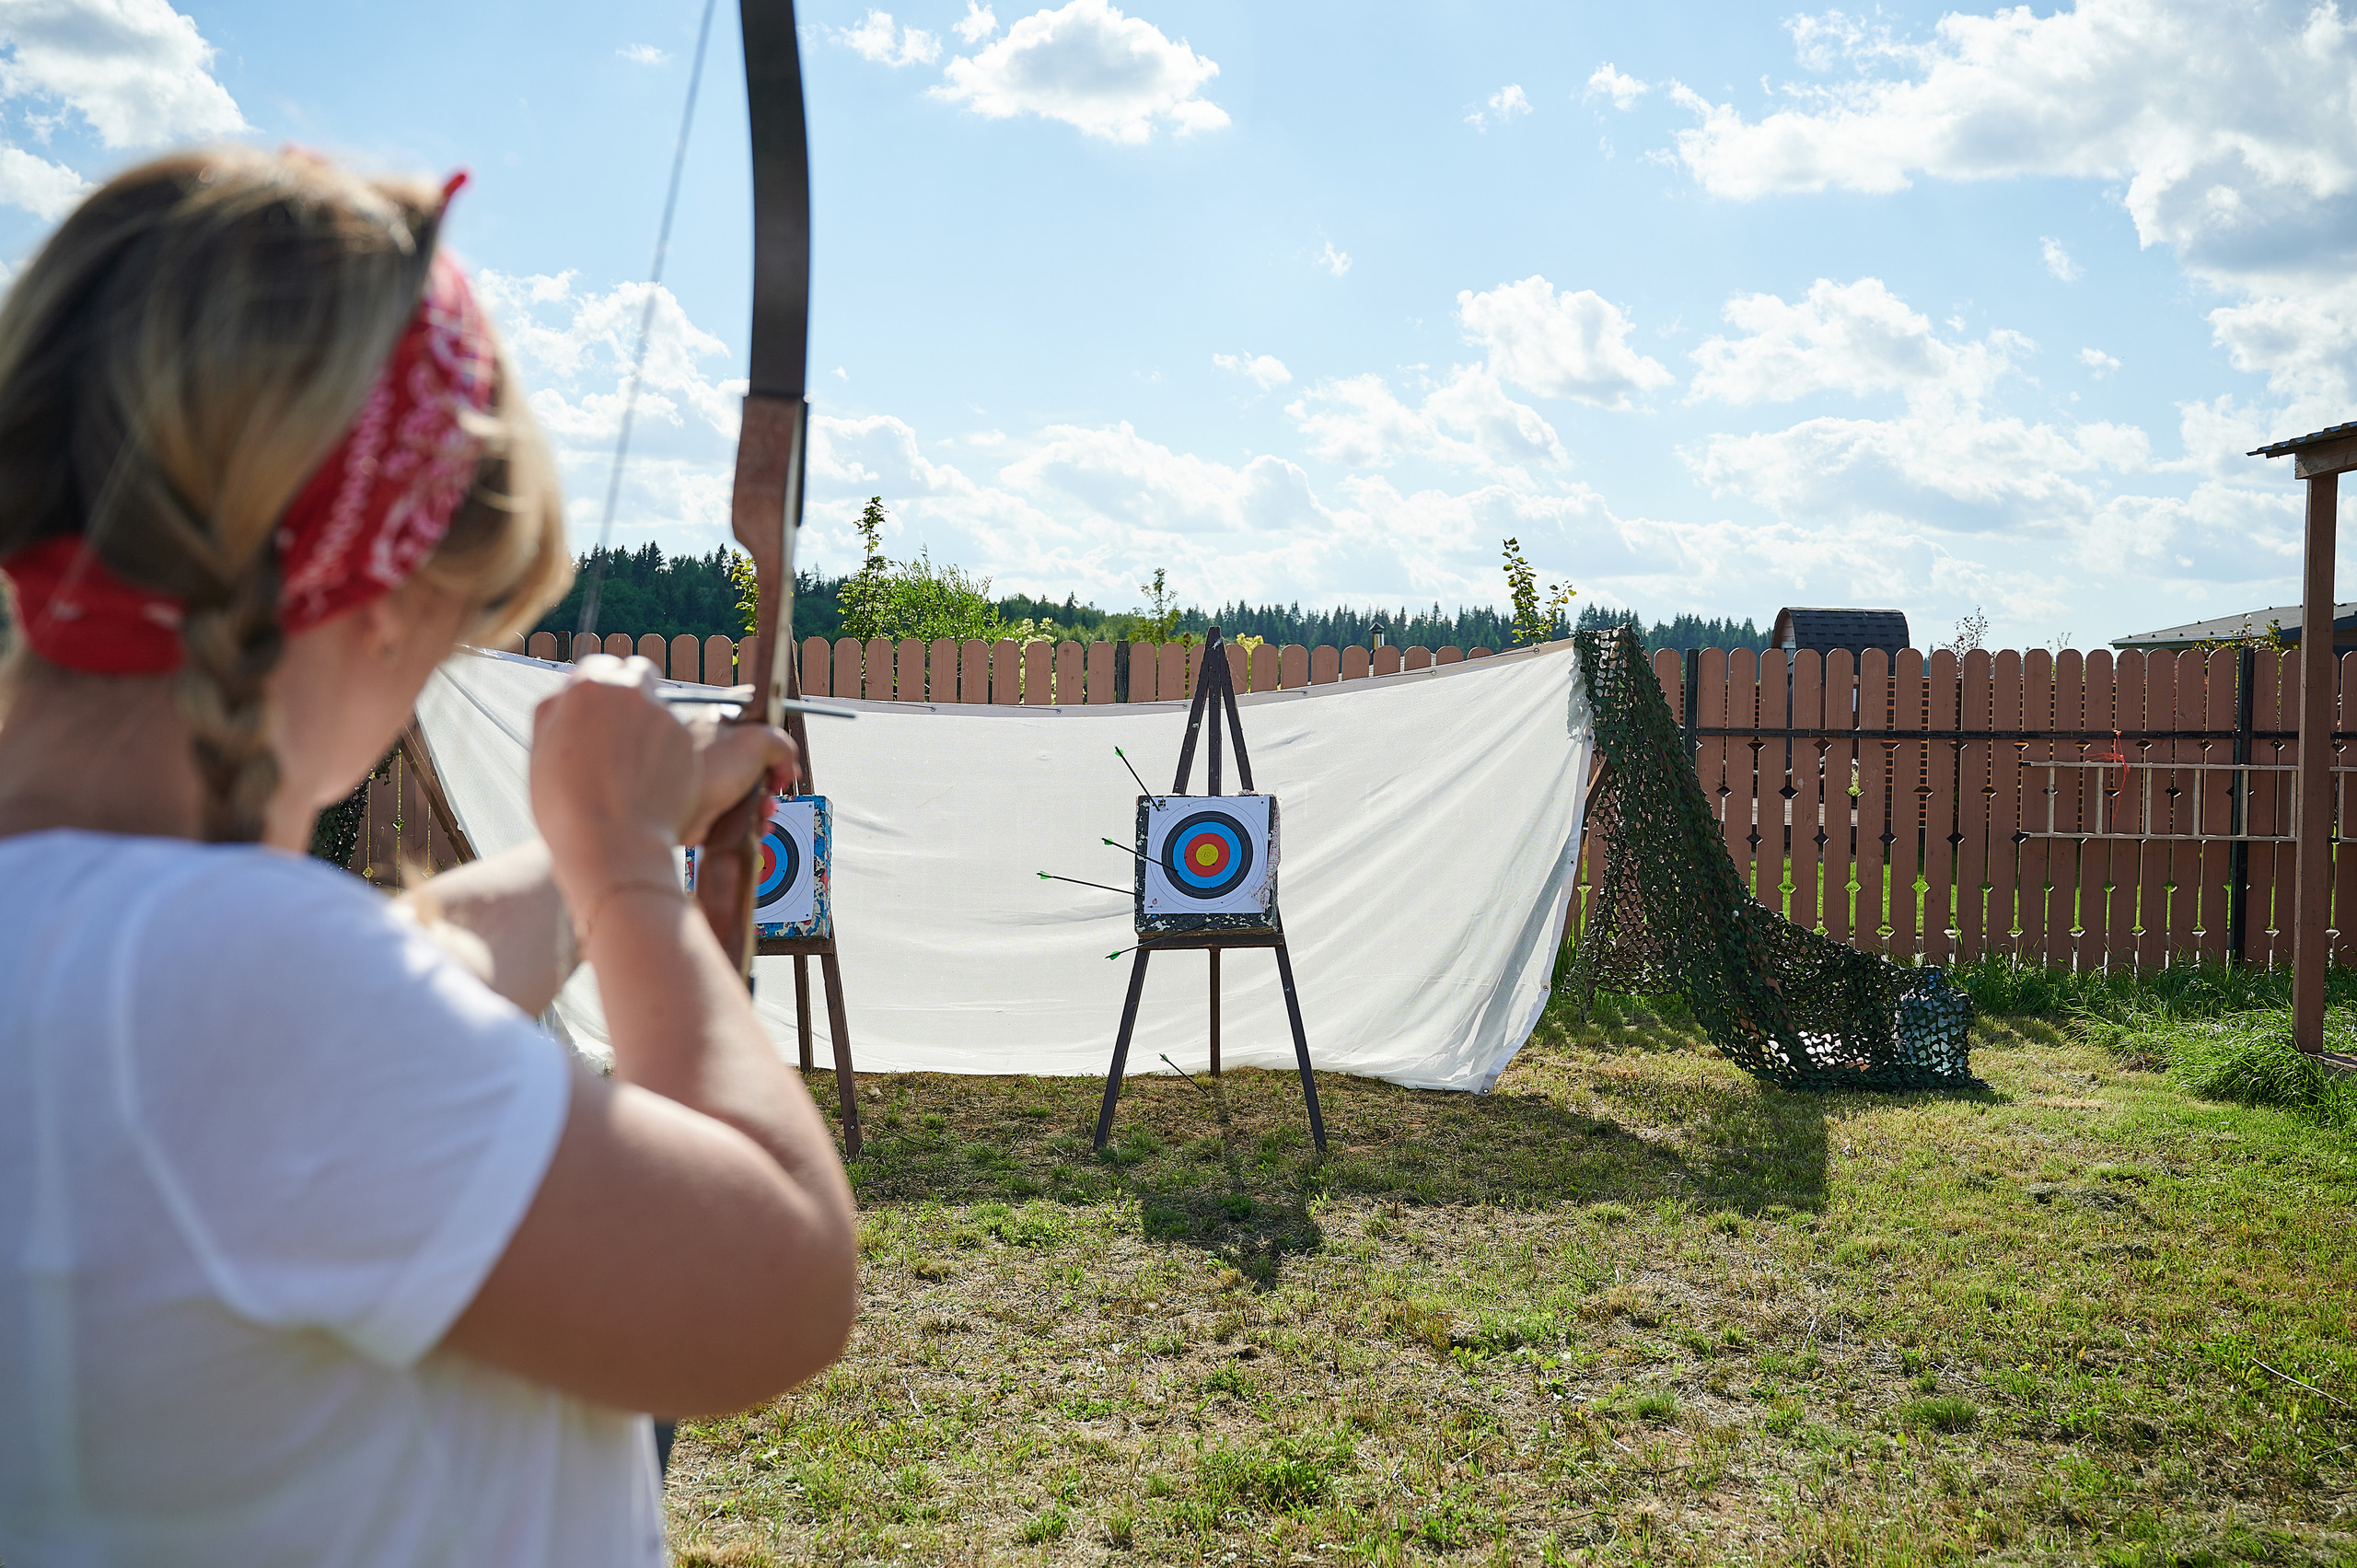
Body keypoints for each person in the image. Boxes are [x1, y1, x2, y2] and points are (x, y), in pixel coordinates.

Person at [0, 147, 859, 1565]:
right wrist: (631, 878)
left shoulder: (121, 956)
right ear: (385, 602)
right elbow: (777, 1280)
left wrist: (629, 833)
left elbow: (408, 968)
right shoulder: (242, 988)